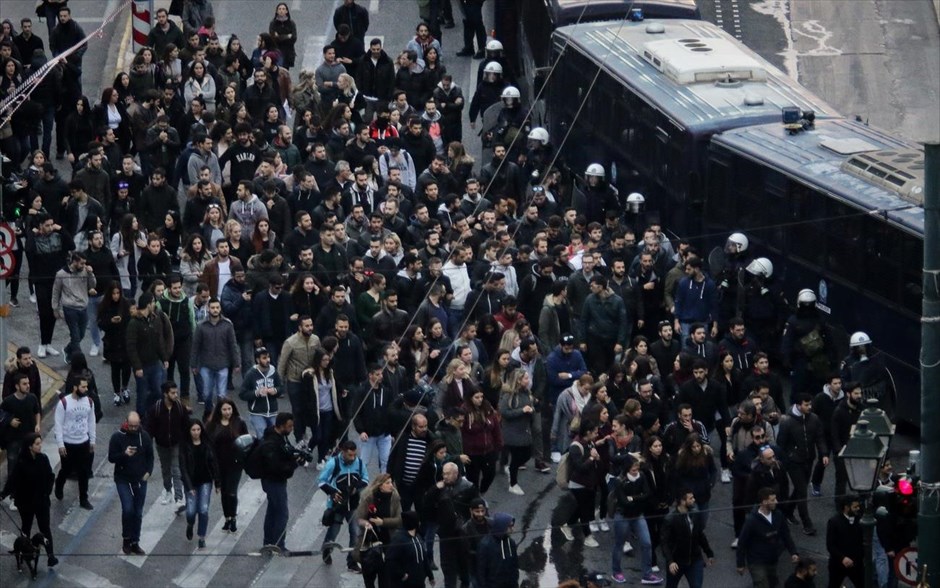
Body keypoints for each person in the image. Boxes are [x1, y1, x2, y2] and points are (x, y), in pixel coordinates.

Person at [0, 432, 59, 567]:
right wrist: (3, 494)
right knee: (26, 527)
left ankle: (51, 556)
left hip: (42, 502)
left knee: (45, 528)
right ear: (29, 447)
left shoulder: (43, 459)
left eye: (40, 443)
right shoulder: (21, 463)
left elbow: (50, 477)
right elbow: (13, 480)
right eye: (37, 444)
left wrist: (47, 492)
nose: (40, 446)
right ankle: (24, 552)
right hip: (25, 503)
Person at [776, 393, 828, 536]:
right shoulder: (787, 421)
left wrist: (823, 453)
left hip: (808, 459)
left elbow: (819, 437)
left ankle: (788, 511)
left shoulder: (814, 419)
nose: (809, 407)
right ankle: (807, 523)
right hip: (794, 462)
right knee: (802, 491)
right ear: (799, 405)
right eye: (806, 405)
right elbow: (781, 444)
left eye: (810, 404)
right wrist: (788, 458)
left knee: (801, 488)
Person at [609, 455, 662, 585]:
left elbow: (647, 494)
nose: (636, 471)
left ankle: (647, 574)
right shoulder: (619, 481)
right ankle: (616, 571)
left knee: (647, 543)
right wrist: (639, 498)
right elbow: (624, 502)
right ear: (627, 469)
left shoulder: (642, 477)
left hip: (638, 515)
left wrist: (633, 498)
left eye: (637, 468)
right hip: (623, 516)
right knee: (619, 544)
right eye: (633, 469)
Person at [108, 411, 153, 555]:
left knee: (138, 512)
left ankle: (135, 542)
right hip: (123, 478)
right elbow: (111, 458)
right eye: (131, 426)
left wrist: (148, 472)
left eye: (136, 426)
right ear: (126, 422)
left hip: (140, 478)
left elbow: (150, 456)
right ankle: (126, 539)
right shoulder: (117, 437)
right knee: (128, 509)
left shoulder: (144, 436)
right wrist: (124, 454)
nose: (133, 429)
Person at [318, 440, 369, 569]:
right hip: (338, 505)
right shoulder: (333, 463)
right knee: (333, 532)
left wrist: (355, 488)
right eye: (350, 455)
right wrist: (333, 492)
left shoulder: (359, 463)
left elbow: (365, 479)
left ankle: (351, 562)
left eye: (354, 455)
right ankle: (327, 551)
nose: (353, 458)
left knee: (355, 533)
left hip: (353, 504)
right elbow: (321, 481)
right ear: (343, 452)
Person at [258, 412, 303, 554]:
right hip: (273, 481)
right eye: (289, 426)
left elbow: (285, 454)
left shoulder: (280, 438)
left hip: (277, 480)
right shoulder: (271, 443)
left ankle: (269, 542)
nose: (291, 429)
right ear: (281, 425)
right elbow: (276, 466)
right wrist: (294, 464)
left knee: (272, 510)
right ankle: (278, 544)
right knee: (282, 513)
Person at [737, 487, 800, 588]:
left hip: (772, 558)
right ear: (764, 502)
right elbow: (742, 542)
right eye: (773, 500)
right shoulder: (751, 521)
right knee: (761, 583)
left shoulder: (778, 515)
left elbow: (786, 535)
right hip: (756, 561)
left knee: (773, 583)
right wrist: (740, 563)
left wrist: (793, 552)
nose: (776, 501)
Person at [191, 297, 239, 415]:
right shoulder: (201, 326)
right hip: (206, 365)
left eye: (217, 307)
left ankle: (219, 416)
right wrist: (193, 365)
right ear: (208, 309)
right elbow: (195, 347)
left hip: (223, 364)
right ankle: (208, 413)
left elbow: (232, 345)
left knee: (221, 394)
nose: (215, 310)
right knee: (207, 393)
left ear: (220, 308)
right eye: (212, 308)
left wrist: (236, 363)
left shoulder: (228, 325)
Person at [145, 381, 189, 512]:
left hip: (176, 443)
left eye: (176, 392)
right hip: (161, 444)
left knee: (176, 469)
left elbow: (186, 425)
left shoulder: (180, 407)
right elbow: (150, 428)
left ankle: (179, 499)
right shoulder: (156, 409)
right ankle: (168, 489)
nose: (175, 395)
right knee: (166, 469)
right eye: (173, 393)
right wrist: (147, 444)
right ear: (165, 394)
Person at [126, 292, 171, 420]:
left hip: (155, 363)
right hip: (142, 366)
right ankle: (141, 417)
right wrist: (137, 366)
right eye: (152, 302)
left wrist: (164, 358)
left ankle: (152, 414)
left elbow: (158, 341)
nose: (154, 305)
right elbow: (131, 347)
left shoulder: (154, 319)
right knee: (142, 394)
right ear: (148, 304)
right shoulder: (134, 323)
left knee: (157, 391)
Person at [53, 376, 96, 509]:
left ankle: (84, 498)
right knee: (66, 469)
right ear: (75, 387)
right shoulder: (64, 403)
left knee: (83, 472)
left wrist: (92, 440)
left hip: (83, 442)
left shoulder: (89, 402)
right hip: (68, 443)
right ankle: (59, 485)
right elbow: (58, 424)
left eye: (86, 386)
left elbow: (91, 421)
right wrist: (60, 444)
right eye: (83, 387)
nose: (86, 389)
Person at [354, 473, 402, 588]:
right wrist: (366, 523)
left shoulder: (394, 497)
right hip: (370, 542)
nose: (391, 485)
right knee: (369, 577)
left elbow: (399, 520)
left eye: (391, 482)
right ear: (380, 486)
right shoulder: (369, 497)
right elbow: (359, 518)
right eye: (388, 483)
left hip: (387, 542)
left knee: (385, 579)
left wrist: (383, 522)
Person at [661, 489, 715, 588]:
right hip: (677, 561)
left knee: (696, 586)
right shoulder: (670, 519)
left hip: (695, 560)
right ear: (682, 501)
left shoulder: (695, 514)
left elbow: (699, 535)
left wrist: (709, 552)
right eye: (691, 498)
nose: (694, 500)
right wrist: (670, 561)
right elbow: (665, 542)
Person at [179, 418, 219, 549]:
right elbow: (183, 468)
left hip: (205, 481)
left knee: (203, 509)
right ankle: (190, 524)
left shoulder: (207, 444)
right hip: (191, 482)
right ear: (189, 431)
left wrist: (217, 482)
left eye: (198, 429)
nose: (196, 432)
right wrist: (189, 487)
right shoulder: (184, 446)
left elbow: (214, 464)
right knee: (191, 512)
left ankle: (202, 536)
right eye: (193, 430)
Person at [51, 251, 97, 361]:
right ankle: (78, 361)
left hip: (83, 307)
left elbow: (93, 285)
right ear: (74, 261)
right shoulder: (61, 274)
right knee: (75, 336)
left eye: (85, 263)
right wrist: (55, 308)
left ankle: (67, 349)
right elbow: (56, 291)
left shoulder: (85, 271)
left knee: (81, 334)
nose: (83, 266)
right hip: (70, 308)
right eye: (81, 263)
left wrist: (91, 273)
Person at [0, 373, 41, 492]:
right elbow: (1, 414)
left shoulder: (32, 398)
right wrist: (10, 420)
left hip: (29, 438)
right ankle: (13, 494)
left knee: (31, 464)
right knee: (13, 466)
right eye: (24, 384)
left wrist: (38, 424)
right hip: (14, 439)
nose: (28, 386)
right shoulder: (9, 401)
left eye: (28, 383)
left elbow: (37, 411)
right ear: (17, 386)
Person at [498, 368, 535, 495]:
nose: (528, 380)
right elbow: (504, 412)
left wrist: (531, 410)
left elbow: (529, 406)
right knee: (516, 457)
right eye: (525, 378)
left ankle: (511, 468)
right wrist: (521, 411)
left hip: (524, 429)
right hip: (512, 431)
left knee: (527, 454)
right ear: (518, 380)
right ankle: (513, 483)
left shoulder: (526, 392)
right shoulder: (509, 395)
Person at [97, 283, 133, 406]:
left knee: (127, 367)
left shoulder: (125, 304)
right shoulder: (105, 306)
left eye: (118, 293)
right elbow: (101, 323)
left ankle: (125, 388)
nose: (116, 296)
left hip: (125, 341)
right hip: (112, 342)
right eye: (113, 293)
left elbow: (131, 320)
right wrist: (110, 321)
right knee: (115, 369)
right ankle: (117, 392)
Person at [354, 363, 394, 473]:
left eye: (381, 374)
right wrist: (361, 430)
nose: (381, 376)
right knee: (364, 462)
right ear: (370, 375)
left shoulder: (385, 391)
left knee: (386, 461)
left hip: (384, 433)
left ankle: (384, 485)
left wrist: (391, 431)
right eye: (377, 374)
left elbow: (390, 411)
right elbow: (356, 413)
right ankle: (359, 486)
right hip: (368, 434)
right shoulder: (362, 391)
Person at [240, 347, 284, 439]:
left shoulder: (273, 371)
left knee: (275, 437)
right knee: (262, 438)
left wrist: (275, 390)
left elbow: (281, 388)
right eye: (264, 358)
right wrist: (257, 393)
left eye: (268, 357)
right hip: (257, 413)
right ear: (257, 360)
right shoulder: (251, 374)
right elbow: (242, 394)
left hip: (272, 412)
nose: (268, 360)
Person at [386, 511, 433, 588]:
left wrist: (430, 575)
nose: (420, 523)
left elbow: (424, 558)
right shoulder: (398, 540)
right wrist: (401, 574)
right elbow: (390, 560)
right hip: (405, 584)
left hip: (419, 583)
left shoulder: (418, 537)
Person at [826, 496, 864, 588]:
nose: (858, 509)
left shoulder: (861, 520)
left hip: (856, 563)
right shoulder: (834, 522)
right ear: (846, 507)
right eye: (855, 507)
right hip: (838, 564)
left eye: (858, 506)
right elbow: (830, 545)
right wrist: (842, 558)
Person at [476, 512, 519, 588]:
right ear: (502, 526)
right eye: (510, 526)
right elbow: (481, 572)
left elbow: (514, 566)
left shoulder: (511, 543)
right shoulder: (485, 545)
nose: (513, 529)